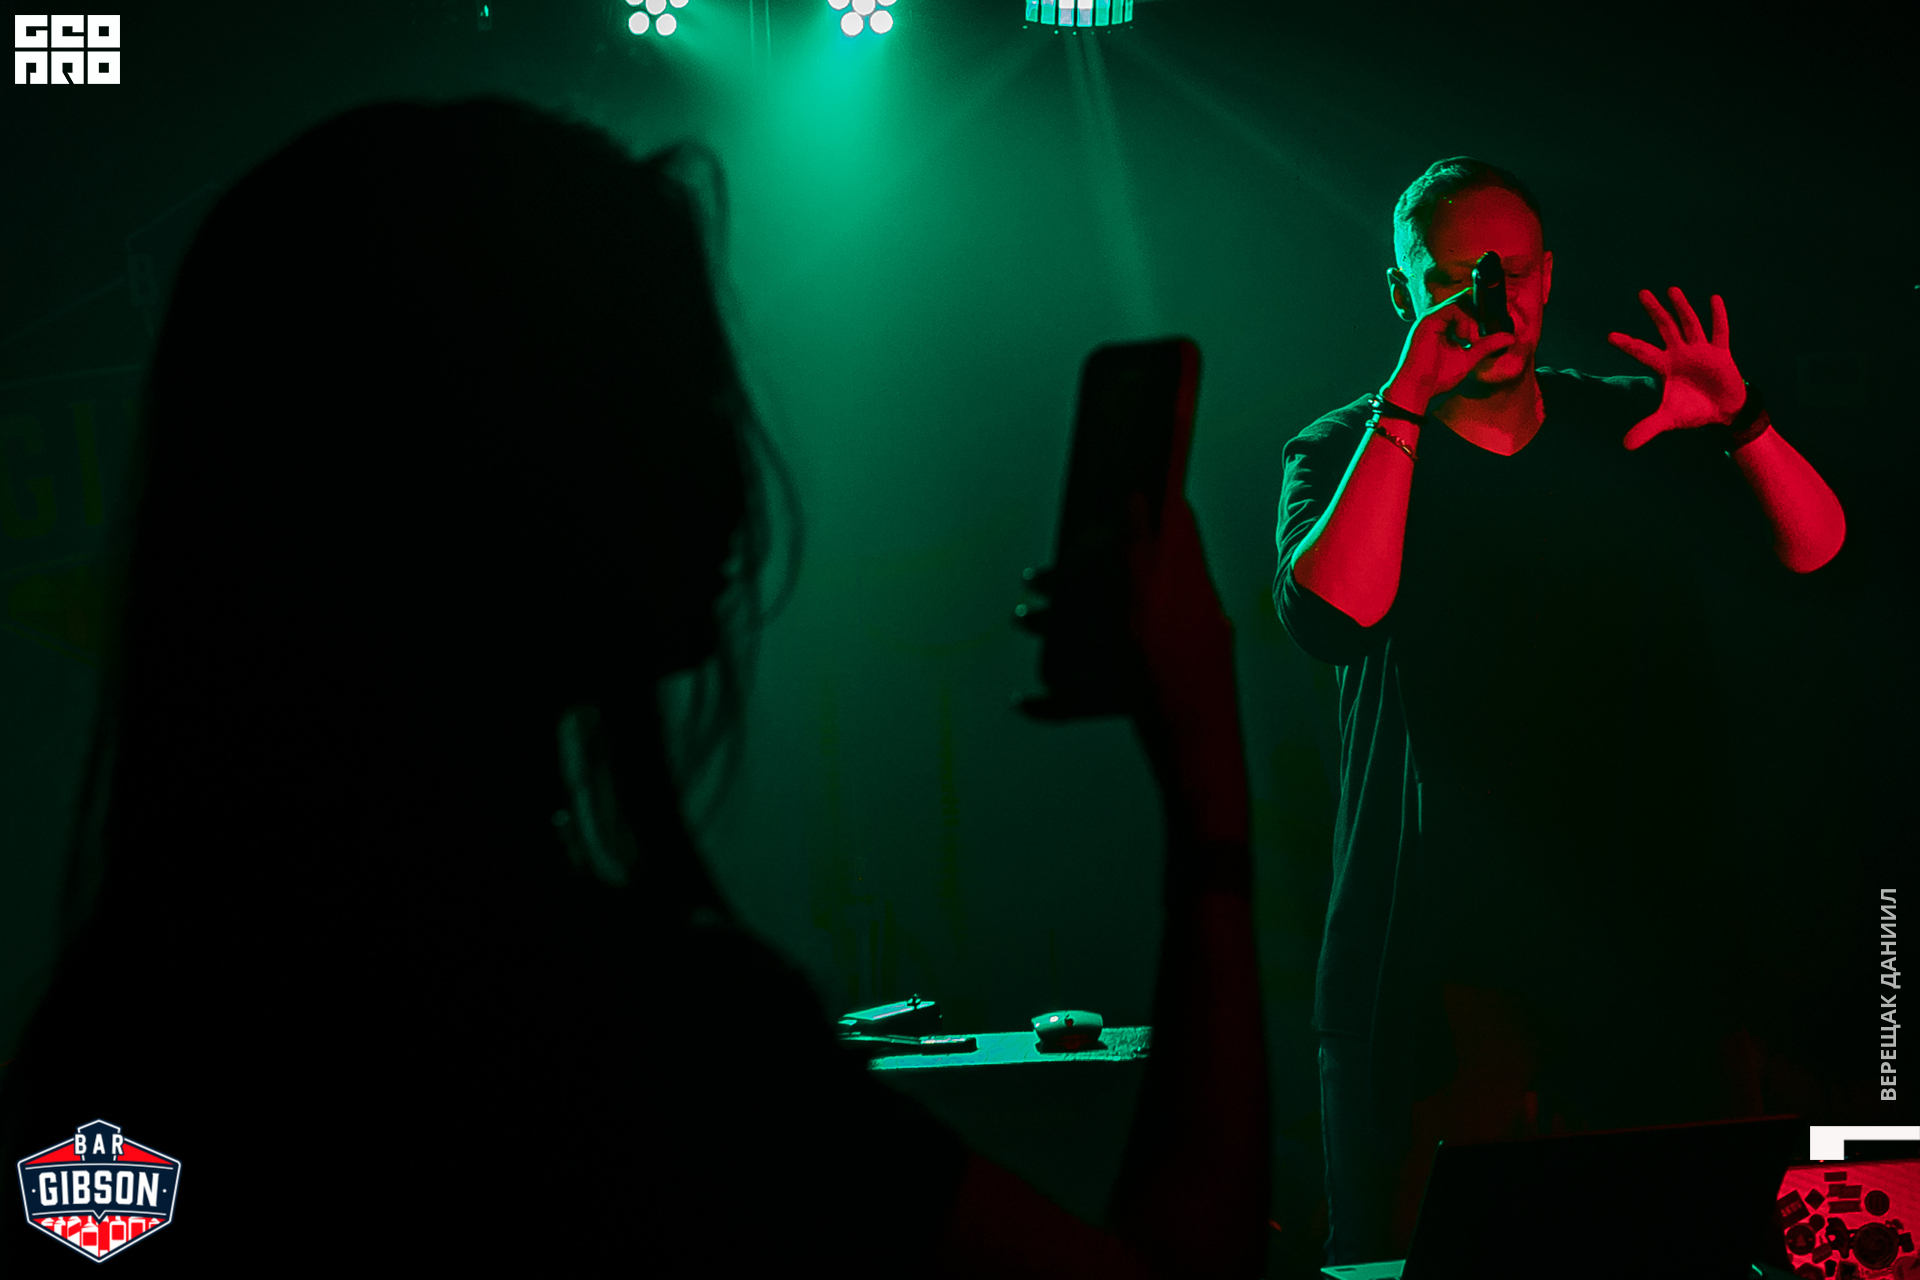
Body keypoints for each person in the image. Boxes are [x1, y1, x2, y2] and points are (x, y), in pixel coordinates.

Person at [0, 97, 1268, 1276]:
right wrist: (1209, 792)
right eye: (672, 392)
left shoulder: (122, 1021)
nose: (734, 463)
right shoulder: (658, 1043)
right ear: (513, 467)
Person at [1272, 156, 1847, 1266]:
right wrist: (1406, 398)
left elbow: (1819, 551)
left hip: (1642, 957)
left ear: (1547, 274)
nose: (1492, 301)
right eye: (1455, 277)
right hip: (1432, 975)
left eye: (1514, 271)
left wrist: (1744, 420)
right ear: (1402, 292)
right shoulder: (1345, 444)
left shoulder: (1628, 423)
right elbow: (1334, 619)